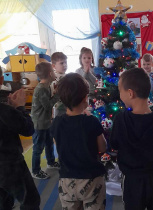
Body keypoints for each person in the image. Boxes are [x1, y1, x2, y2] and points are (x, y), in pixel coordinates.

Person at [110, 68, 153, 210]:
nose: (120, 95)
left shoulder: (121, 118)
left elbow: (114, 144)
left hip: (132, 179)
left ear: (130, 93)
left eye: (120, 90)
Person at [51, 73, 107, 210]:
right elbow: (103, 148)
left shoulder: (57, 122)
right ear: (85, 99)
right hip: (92, 180)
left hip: (66, 180)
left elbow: (57, 145)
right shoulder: (91, 121)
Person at [0, 59, 40, 209]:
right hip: (10, 165)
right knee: (30, 201)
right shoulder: (4, 111)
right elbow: (28, 129)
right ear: (1, 80)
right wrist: (19, 107)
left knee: (1, 200)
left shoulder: (4, 110)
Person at [31, 62, 60, 179]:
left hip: (46, 122)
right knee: (38, 148)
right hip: (39, 124)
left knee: (49, 143)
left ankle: (51, 162)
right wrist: (57, 95)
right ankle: (35, 170)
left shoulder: (47, 86)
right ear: (49, 73)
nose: (54, 73)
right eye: (53, 71)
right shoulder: (41, 89)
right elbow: (48, 106)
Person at [51, 52, 68, 117]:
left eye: (65, 62)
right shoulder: (54, 78)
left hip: (68, 105)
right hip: (59, 106)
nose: (64, 65)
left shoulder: (67, 76)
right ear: (54, 66)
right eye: (61, 63)